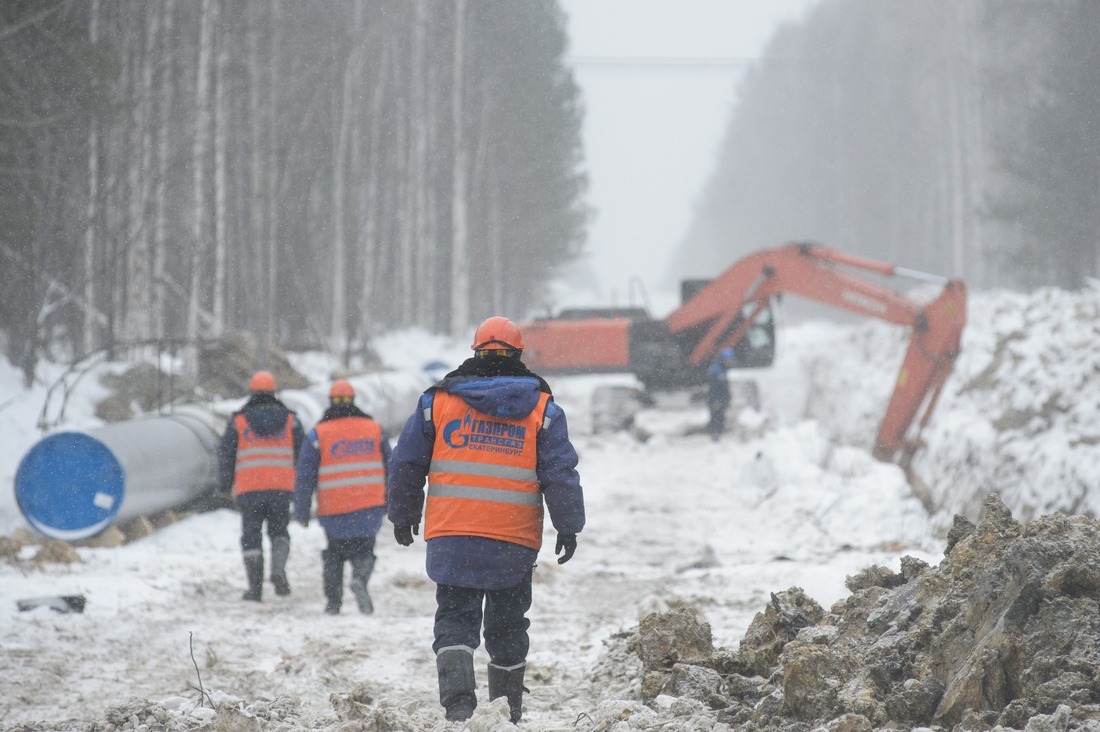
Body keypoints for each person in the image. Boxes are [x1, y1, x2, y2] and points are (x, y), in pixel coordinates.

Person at [387, 316, 586, 724]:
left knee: (456, 619)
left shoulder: (437, 402)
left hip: (453, 535)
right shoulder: (542, 409)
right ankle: (507, 710)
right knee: (508, 626)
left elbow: (406, 462)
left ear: (475, 351)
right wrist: (568, 525)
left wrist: (403, 514)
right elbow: (559, 472)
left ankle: (459, 704)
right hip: (512, 540)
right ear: (517, 353)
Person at [293, 379, 391, 615]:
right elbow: (393, 466)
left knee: (334, 555)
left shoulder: (318, 434)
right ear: (353, 400)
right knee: (365, 549)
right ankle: (360, 579)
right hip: (370, 505)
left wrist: (302, 510)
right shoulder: (375, 430)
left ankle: (333, 603)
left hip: (334, 508)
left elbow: (305, 475)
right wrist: (393, 500)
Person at [217, 370, 305, 602]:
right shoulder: (290, 420)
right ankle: (278, 571)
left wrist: (225, 486)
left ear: (252, 391)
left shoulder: (239, 421)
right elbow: (303, 454)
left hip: (249, 489)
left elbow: (226, 455)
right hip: (281, 488)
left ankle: (255, 590)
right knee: (279, 531)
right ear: (274, 391)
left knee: (251, 536)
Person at [706, 348, 735, 441]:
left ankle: (718, 434)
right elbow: (714, 387)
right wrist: (715, 400)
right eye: (728, 360)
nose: (729, 362)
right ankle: (715, 435)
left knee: (720, 417)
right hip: (716, 399)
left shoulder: (722, 369)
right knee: (716, 417)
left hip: (720, 399)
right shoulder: (716, 370)